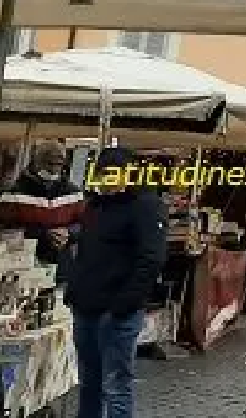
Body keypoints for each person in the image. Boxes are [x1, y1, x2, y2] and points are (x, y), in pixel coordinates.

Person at [64, 145, 166, 418]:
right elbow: (85, 253)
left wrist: (123, 305)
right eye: (104, 173)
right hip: (86, 308)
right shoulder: (94, 207)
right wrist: (74, 290)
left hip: (117, 314)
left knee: (116, 386)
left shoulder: (144, 206)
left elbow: (151, 259)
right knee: (89, 384)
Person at [0, 139, 84, 265]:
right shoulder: (14, 194)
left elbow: (84, 224)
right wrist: (42, 234)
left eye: (58, 165)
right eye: (49, 164)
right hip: (23, 262)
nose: (54, 170)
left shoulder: (74, 194)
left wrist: (70, 233)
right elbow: (5, 230)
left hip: (62, 263)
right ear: (36, 162)